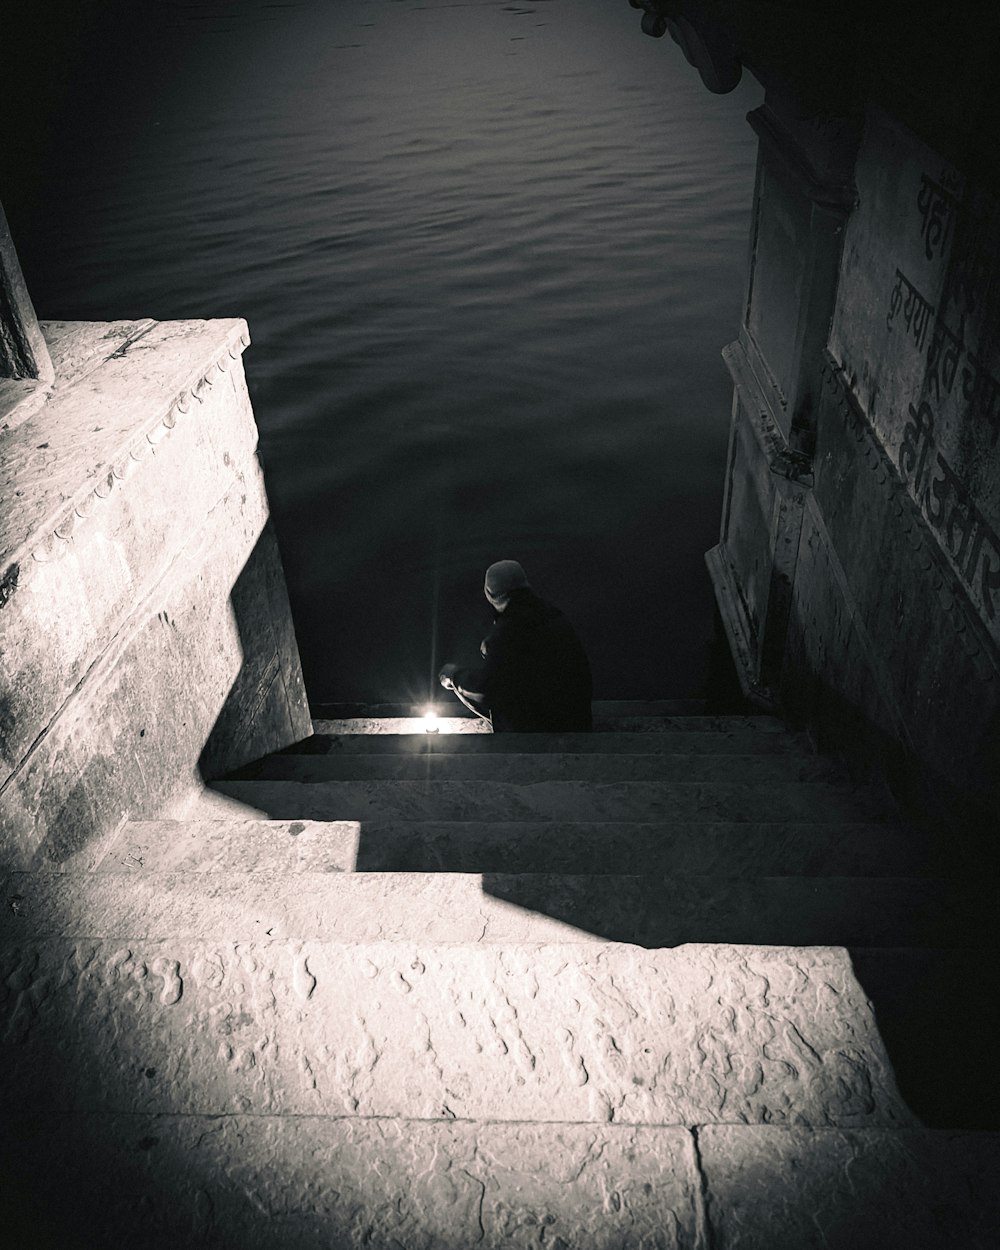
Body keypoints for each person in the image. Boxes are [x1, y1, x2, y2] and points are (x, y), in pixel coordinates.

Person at [438, 560, 592, 732]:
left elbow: (487, 690)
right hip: (577, 722)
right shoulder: (554, 616)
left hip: (538, 734)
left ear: (489, 593)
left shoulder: (508, 629)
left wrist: (454, 676)